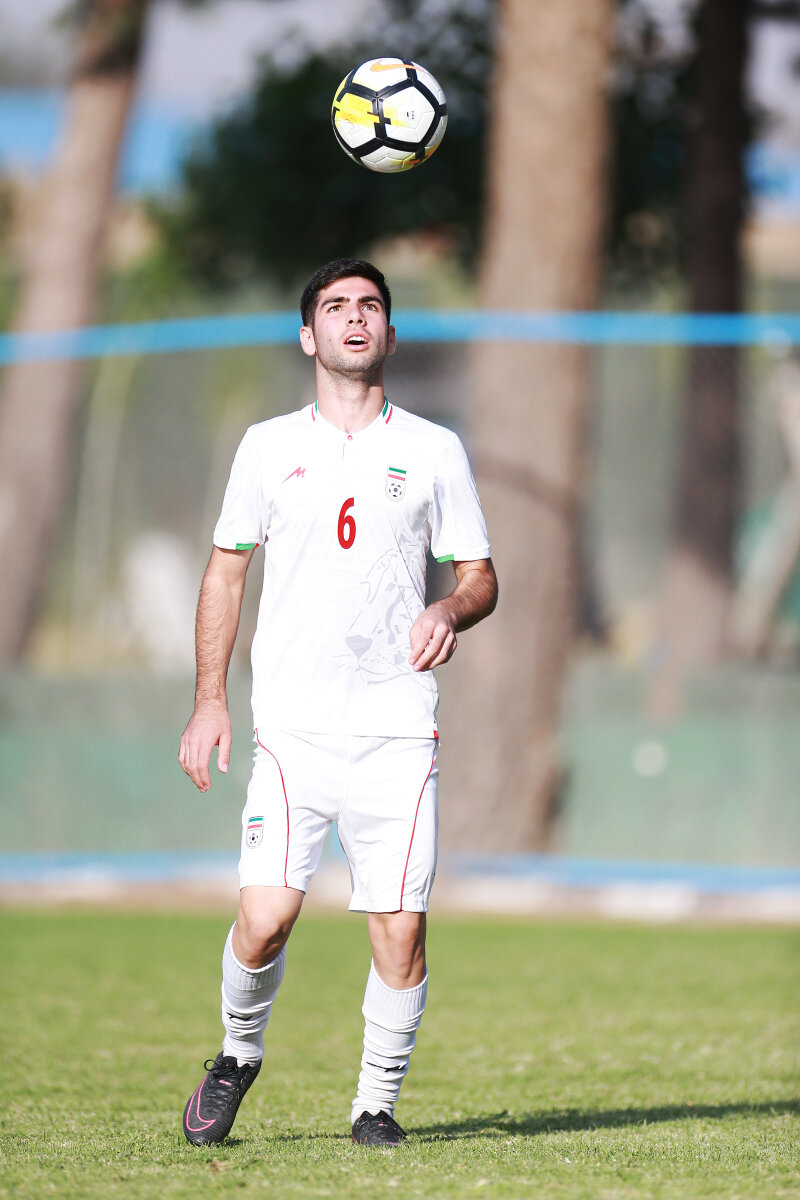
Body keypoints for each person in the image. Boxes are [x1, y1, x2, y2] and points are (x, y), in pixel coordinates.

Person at [178, 257, 497, 1148]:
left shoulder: (434, 450)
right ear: (307, 335)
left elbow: (479, 575)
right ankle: (237, 1052)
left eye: (369, 307)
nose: (354, 318)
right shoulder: (265, 446)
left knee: (401, 933)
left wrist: (450, 608)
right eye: (335, 307)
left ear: (390, 333)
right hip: (293, 729)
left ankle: (374, 1106)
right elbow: (226, 572)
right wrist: (209, 700)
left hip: (398, 731)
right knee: (265, 919)